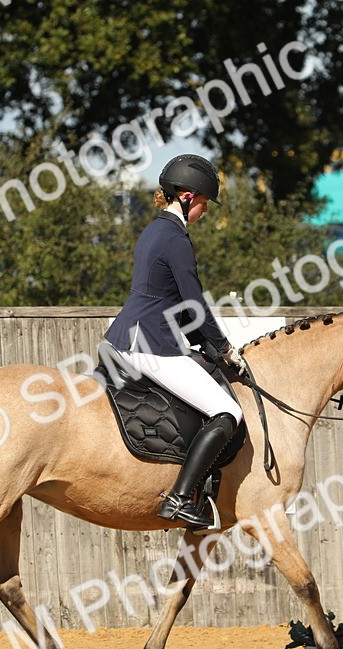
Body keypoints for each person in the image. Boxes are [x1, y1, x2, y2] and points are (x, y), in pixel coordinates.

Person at [104, 154, 245, 528]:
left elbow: (181, 309)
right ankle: (180, 498)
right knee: (228, 411)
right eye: (203, 203)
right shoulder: (177, 240)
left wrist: (211, 349)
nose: (205, 211)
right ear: (186, 196)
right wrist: (226, 349)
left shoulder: (155, 230)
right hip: (149, 345)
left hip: (128, 335)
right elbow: (195, 304)